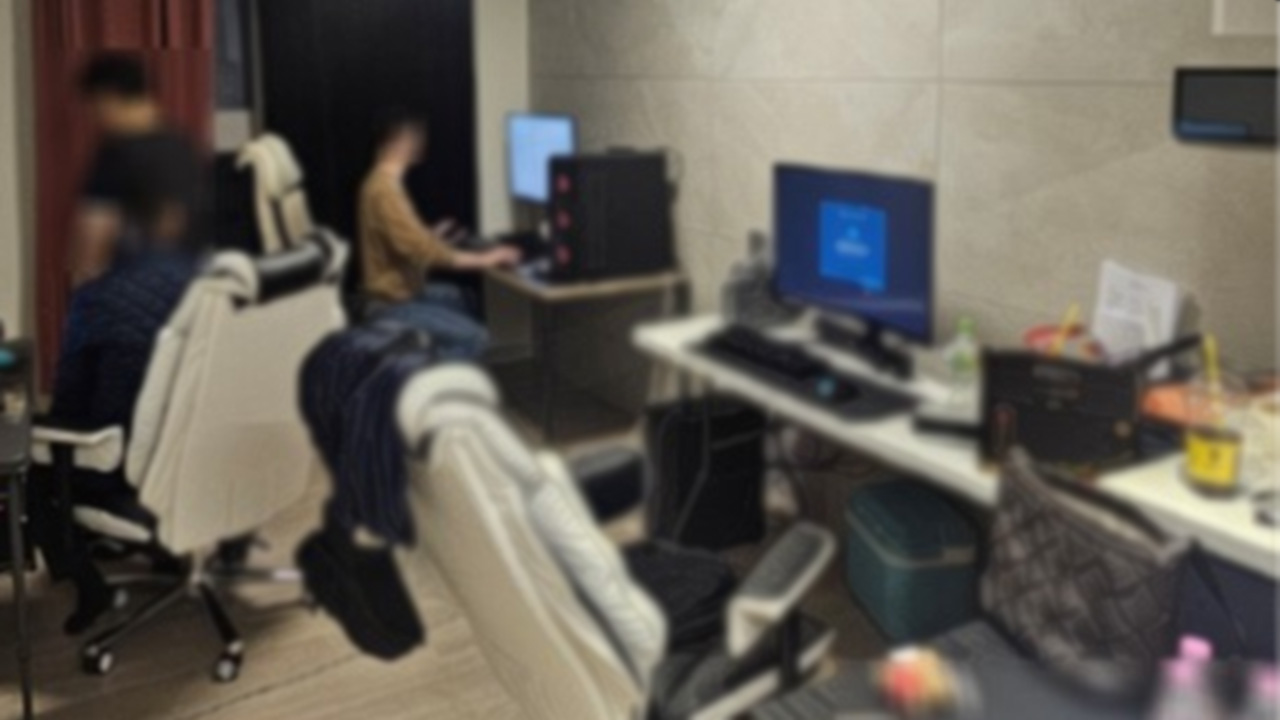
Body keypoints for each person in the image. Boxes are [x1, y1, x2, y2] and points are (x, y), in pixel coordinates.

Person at [359, 110, 519, 361]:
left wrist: (434, 237)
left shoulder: (381, 183)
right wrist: (488, 258)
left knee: (463, 298)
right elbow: (423, 252)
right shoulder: (384, 191)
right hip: (390, 303)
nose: (422, 142)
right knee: (477, 338)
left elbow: (404, 242)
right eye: (417, 136)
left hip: (402, 291)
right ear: (401, 141)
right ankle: (429, 379)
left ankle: (439, 365)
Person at [72, 53, 205, 286]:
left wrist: (84, 292)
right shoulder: (184, 146)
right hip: (189, 288)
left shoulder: (117, 153)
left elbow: (94, 237)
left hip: (130, 288)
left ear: (107, 98)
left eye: (94, 107)